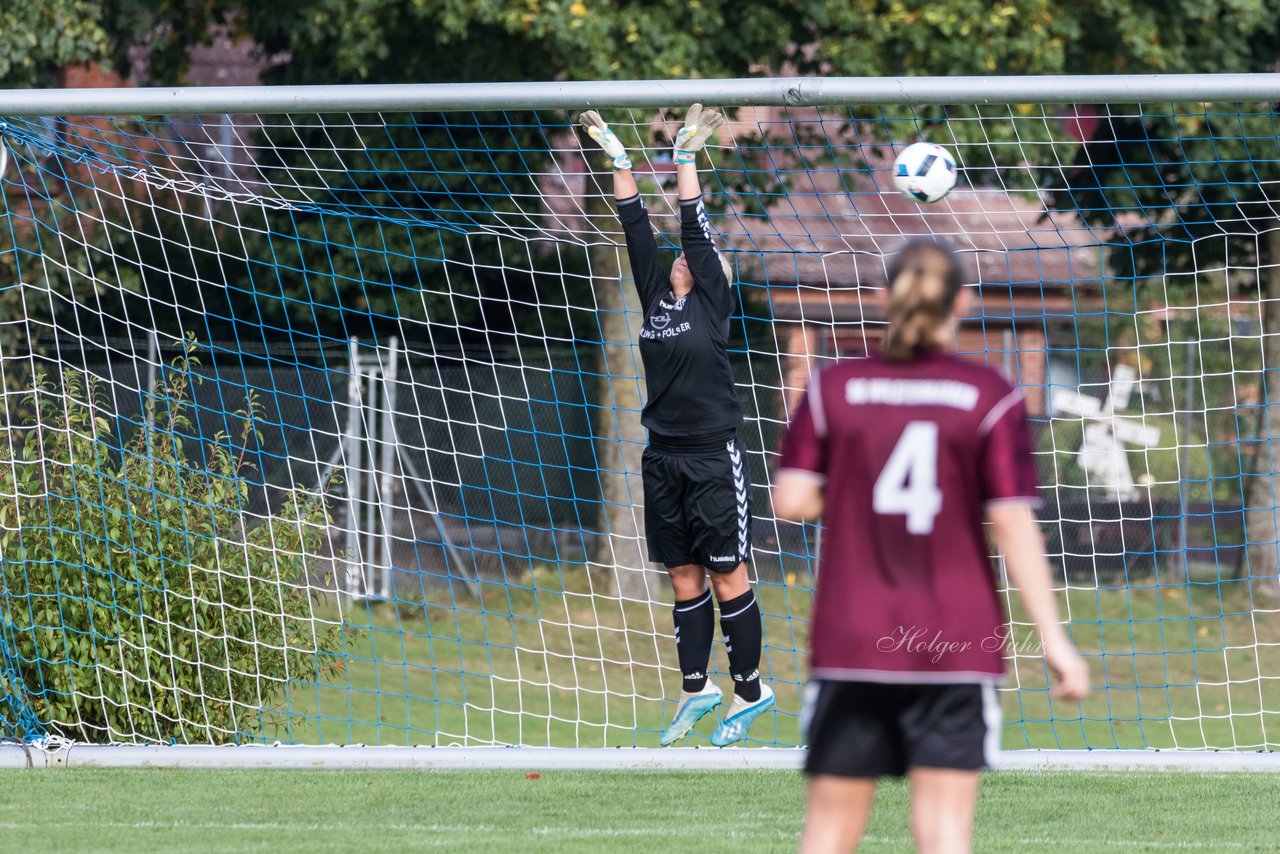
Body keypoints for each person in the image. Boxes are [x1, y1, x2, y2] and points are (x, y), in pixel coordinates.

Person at [772, 238, 1090, 853]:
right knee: (944, 836)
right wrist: (1054, 640)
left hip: (852, 638)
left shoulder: (835, 385)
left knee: (829, 834)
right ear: (964, 302)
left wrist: (855, 486)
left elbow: (789, 501)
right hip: (957, 641)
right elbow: (1013, 524)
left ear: (880, 298)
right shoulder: (989, 395)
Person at [578, 105, 773, 746]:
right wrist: (618, 161)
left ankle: (751, 689)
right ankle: (698, 689)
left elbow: (693, 229)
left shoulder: (712, 300)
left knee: (727, 575)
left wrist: (686, 158)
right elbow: (636, 228)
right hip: (662, 458)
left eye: (691, 258)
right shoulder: (656, 299)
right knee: (683, 577)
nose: (680, 262)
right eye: (676, 261)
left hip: (713, 456)